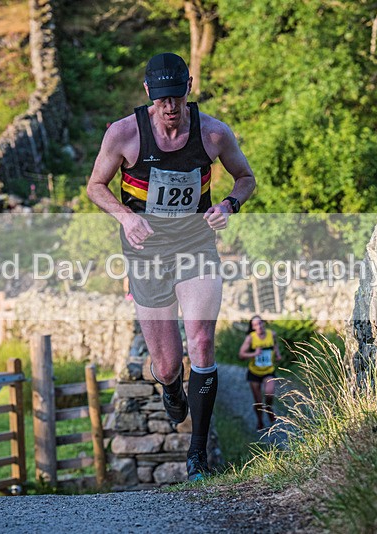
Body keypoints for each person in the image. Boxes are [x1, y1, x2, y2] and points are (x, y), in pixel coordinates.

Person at [86, 52, 256, 481]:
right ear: (148, 94)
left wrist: (229, 205)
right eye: (161, 100)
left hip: (196, 244)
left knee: (201, 339)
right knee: (165, 365)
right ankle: (172, 387)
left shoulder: (214, 134)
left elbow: (246, 178)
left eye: (177, 98)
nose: (170, 108)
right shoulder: (124, 134)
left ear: (189, 88)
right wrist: (125, 217)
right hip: (145, 252)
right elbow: (95, 186)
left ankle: (197, 455)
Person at [238, 315, 283, 431]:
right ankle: (260, 421)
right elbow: (241, 355)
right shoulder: (250, 338)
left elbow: (275, 345)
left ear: (264, 323)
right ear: (253, 327)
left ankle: (269, 409)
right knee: (258, 402)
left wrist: (277, 354)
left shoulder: (271, 334)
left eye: (261, 323)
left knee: (269, 393)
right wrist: (254, 354)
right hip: (254, 372)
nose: (260, 326)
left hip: (269, 370)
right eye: (256, 325)